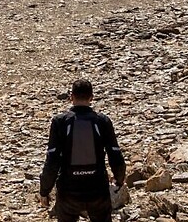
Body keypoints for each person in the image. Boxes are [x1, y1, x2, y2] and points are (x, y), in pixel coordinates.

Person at [38, 79, 126, 222]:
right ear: (91, 98)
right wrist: (119, 179)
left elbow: (52, 162)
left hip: (68, 192)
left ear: (71, 97)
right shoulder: (102, 121)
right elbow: (115, 154)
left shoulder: (60, 122)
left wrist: (44, 191)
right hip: (98, 190)